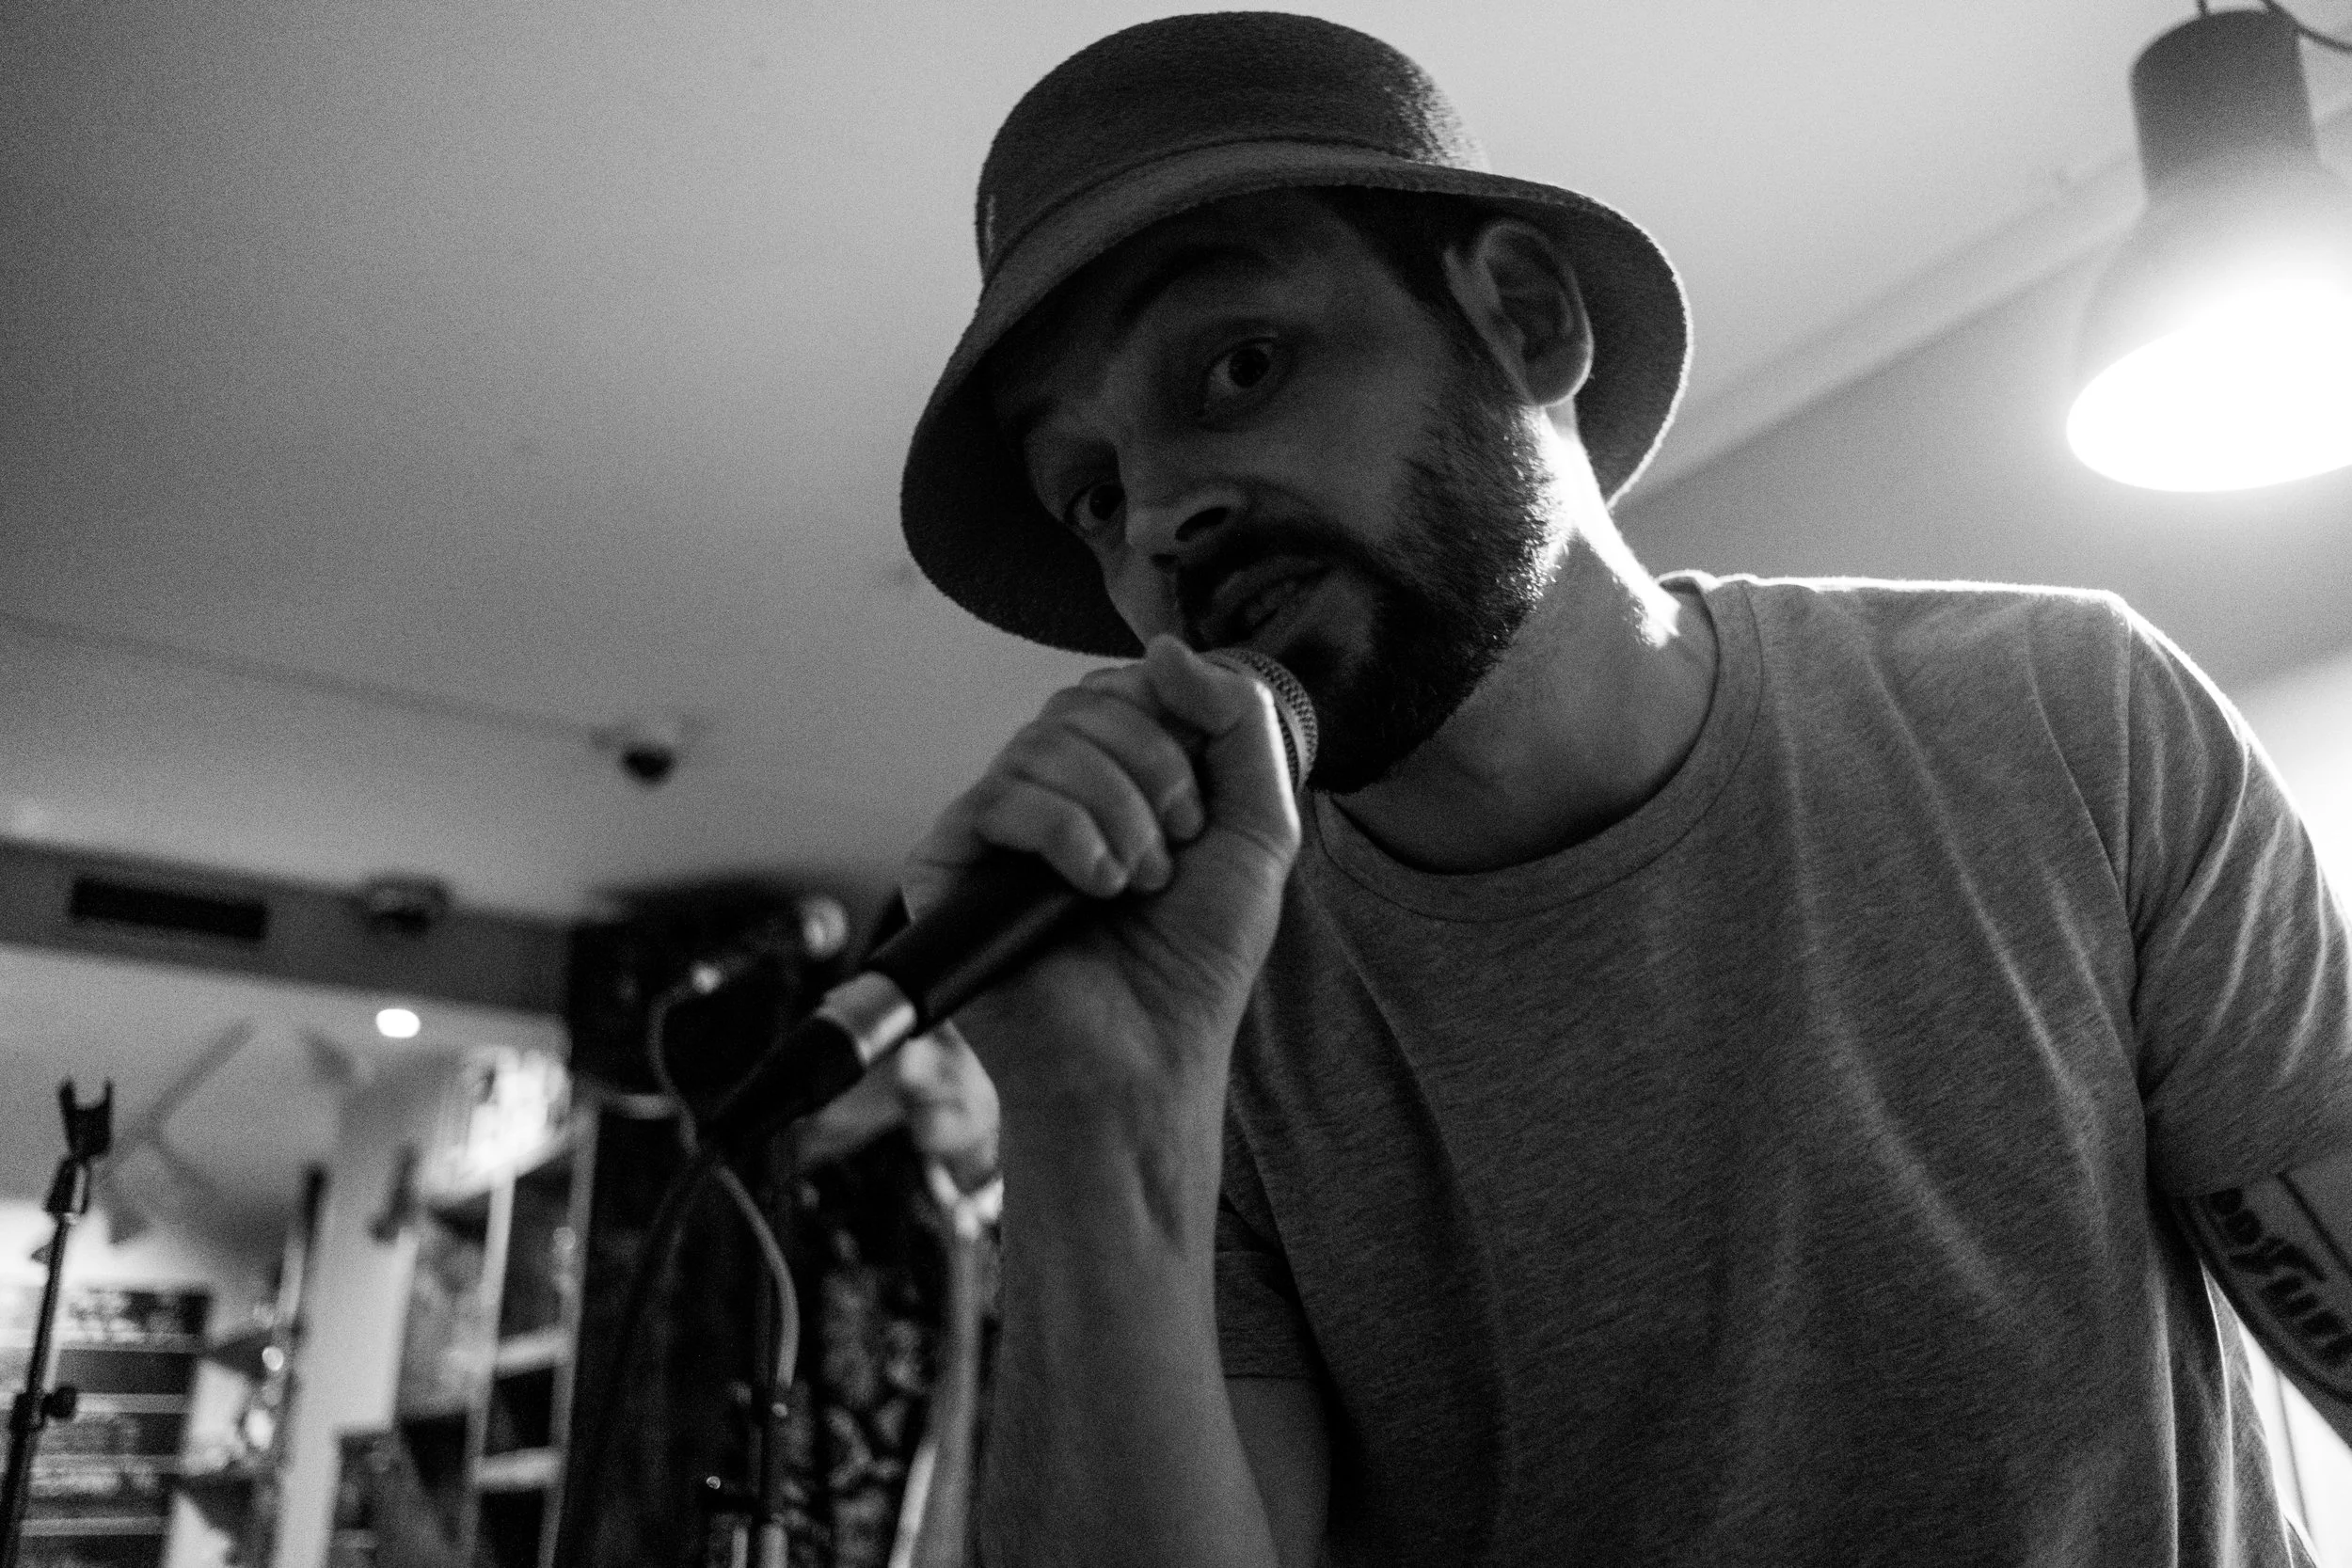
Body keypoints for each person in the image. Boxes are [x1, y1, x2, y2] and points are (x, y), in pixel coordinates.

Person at [891, 13, 2352, 1567]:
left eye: (1238, 365)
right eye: (1094, 492)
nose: (1164, 520)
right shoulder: (1211, 1000)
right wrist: (1097, 1113)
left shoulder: (2068, 720)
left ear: (1521, 317)